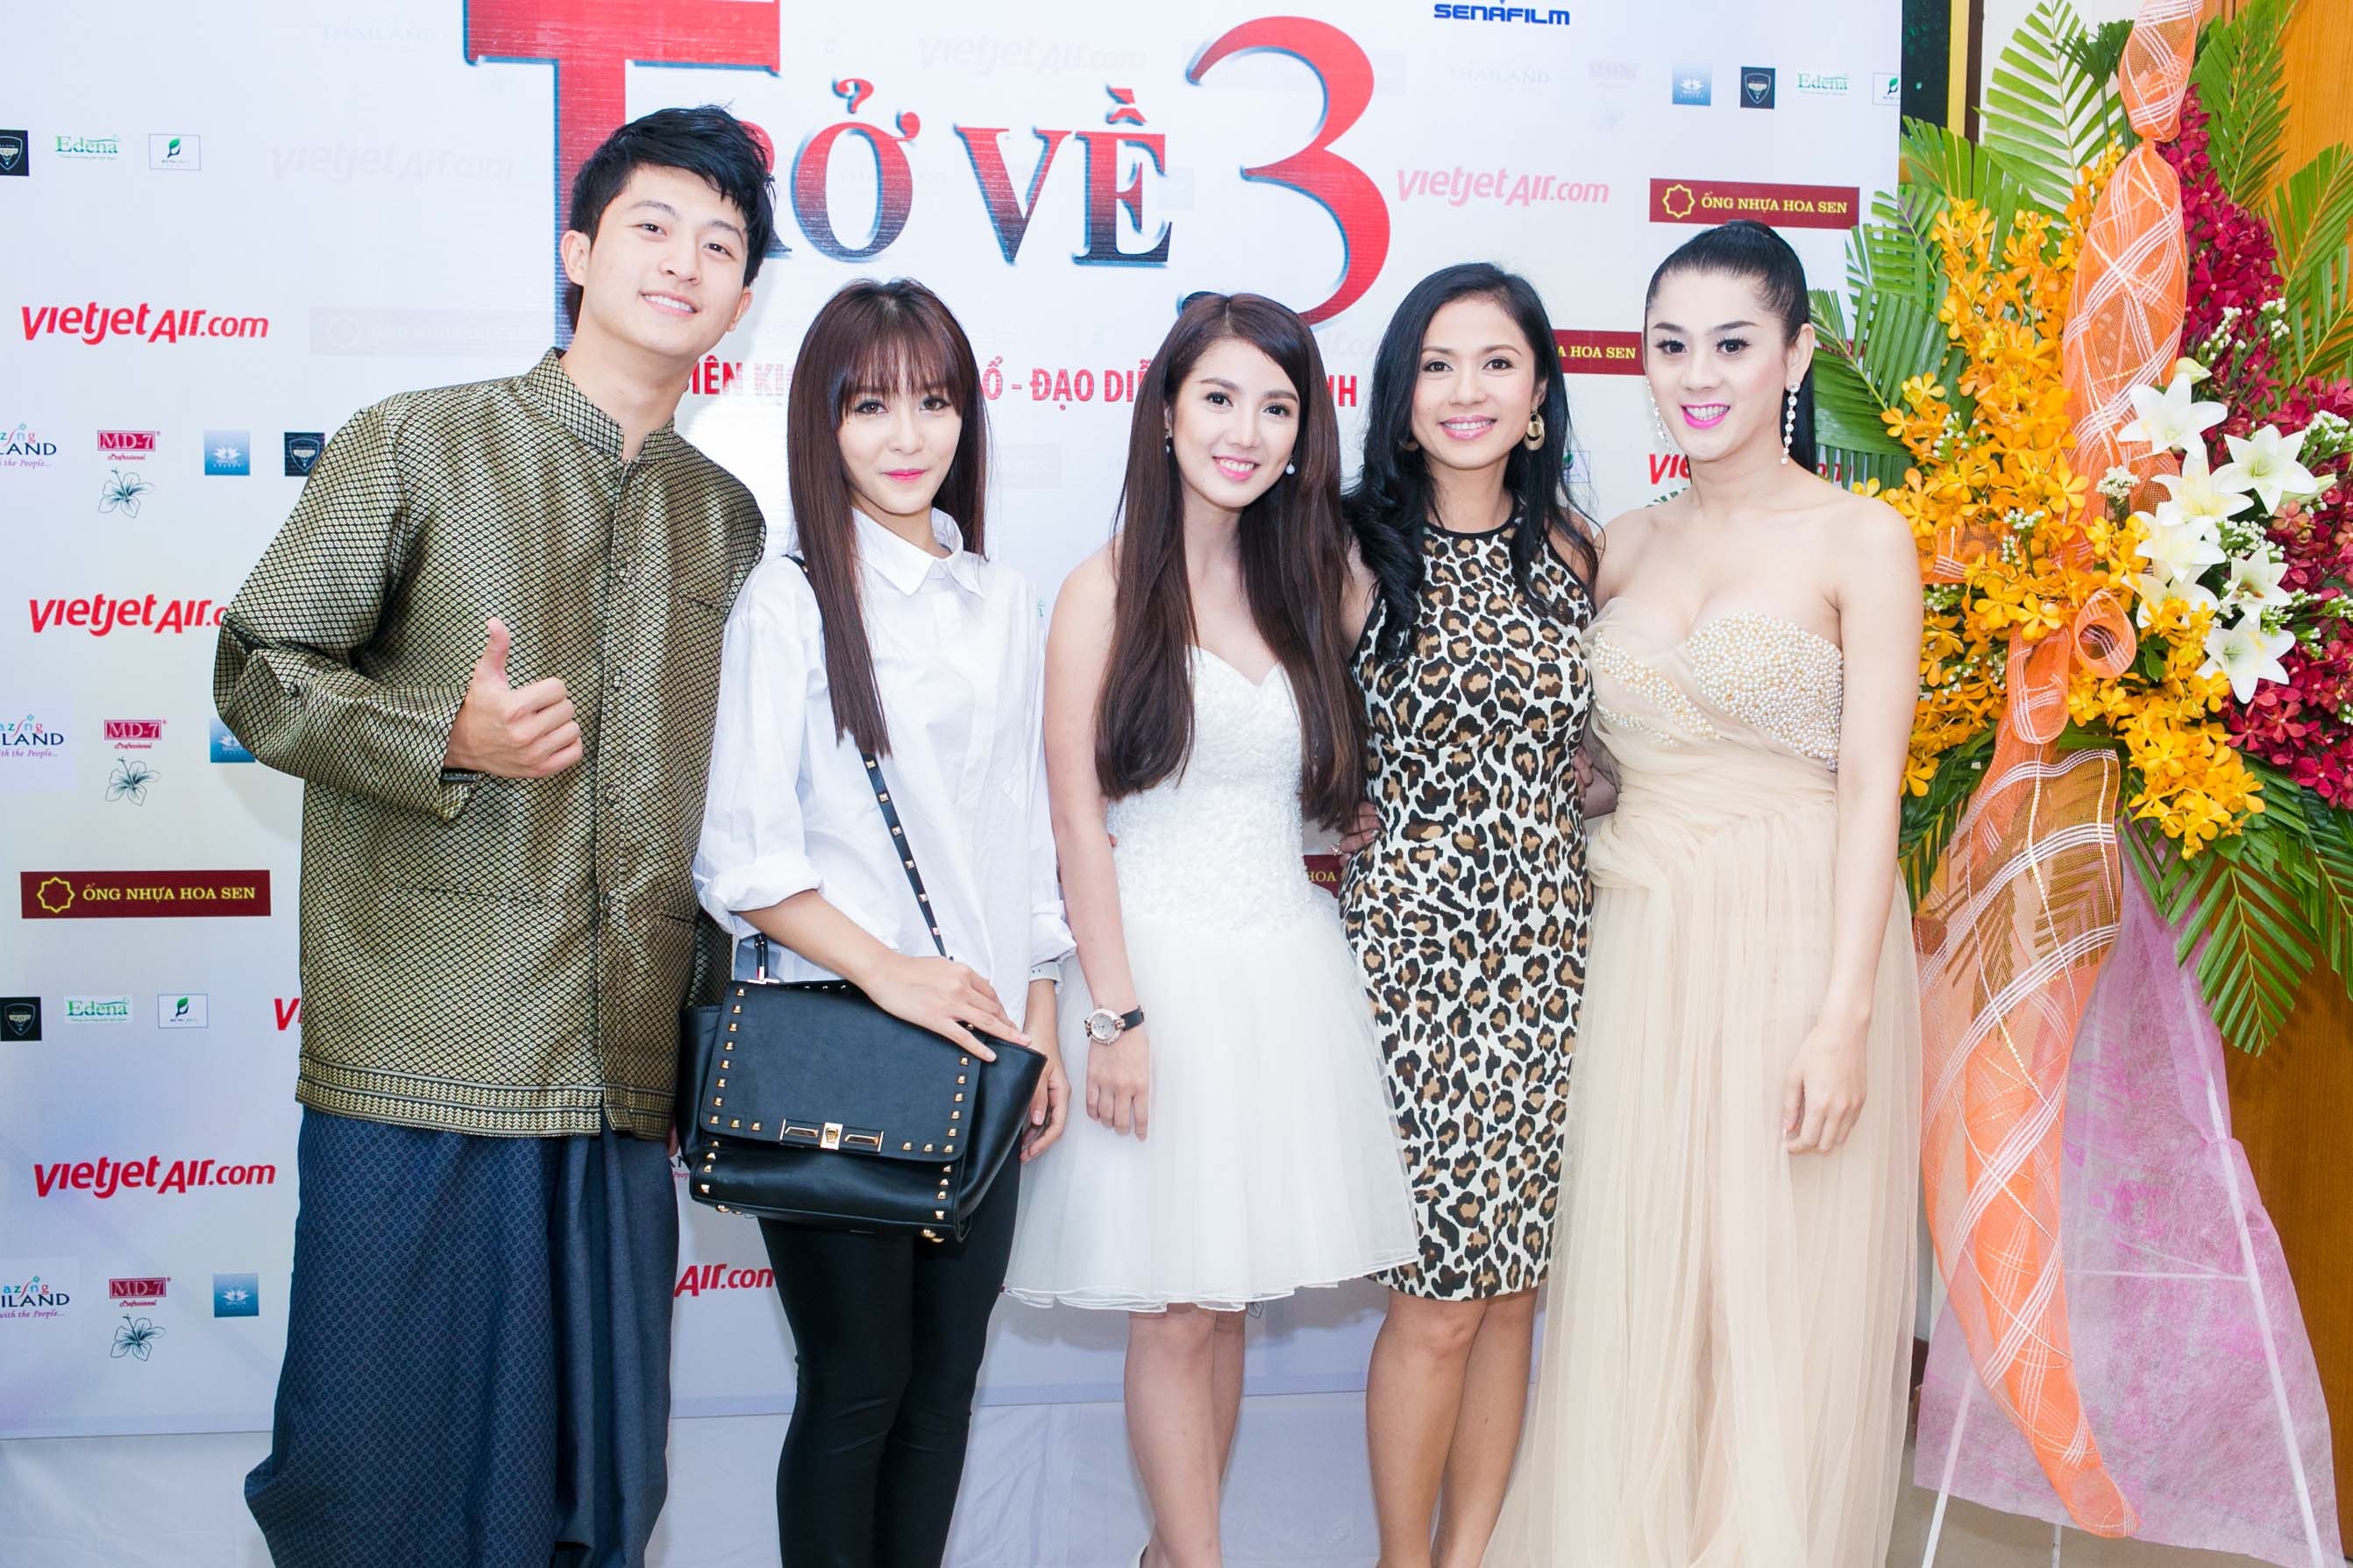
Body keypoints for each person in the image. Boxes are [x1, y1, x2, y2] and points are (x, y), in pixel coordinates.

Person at [217, 105, 774, 1566]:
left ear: (742, 298)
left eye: (722, 244)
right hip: (423, 1050)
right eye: (652, 225)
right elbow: (258, 669)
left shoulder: (726, 521)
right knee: (378, 1476)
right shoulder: (420, 441)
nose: (685, 260)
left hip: (619, 1074)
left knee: (599, 1493)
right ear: (578, 250)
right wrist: (443, 734)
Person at [1486, 219, 1924, 1565]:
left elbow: (1873, 785)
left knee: (1772, 1302)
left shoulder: (1862, 538)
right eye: (1671, 346)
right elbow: (1586, 752)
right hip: (1642, 942)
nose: (1699, 374)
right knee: (1641, 1287)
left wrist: (1844, 1016)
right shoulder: (1619, 544)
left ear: (1795, 353)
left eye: (1733, 343)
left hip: (1796, 943)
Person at [1004, 292, 1418, 1568]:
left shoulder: (1315, 587)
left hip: (1285, 973)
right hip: (1151, 975)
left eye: (1278, 408)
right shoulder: (1102, 587)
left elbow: (1337, 780)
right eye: (1222, 398)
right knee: (1177, 1308)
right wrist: (1116, 1015)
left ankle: (1173, 1555)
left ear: (1304, 436)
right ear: (1169, 413)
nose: (1247, 431)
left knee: (1227, 1299)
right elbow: (1074, 820)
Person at [693, 276, 1073, 1568]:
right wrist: (892, 974)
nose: (908, 436)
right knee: (858, 1385)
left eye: (934, 401)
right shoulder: (790, 600)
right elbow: (742, 858)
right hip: (843, 1045)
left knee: (944, 1387)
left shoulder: (1002, 598)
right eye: (870, 406)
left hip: (984, 1046)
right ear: (825, 422)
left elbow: (1024, 838)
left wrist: (1039, 1026)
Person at [1339, 263, 1598, 1568]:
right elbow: (1274, 731)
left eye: (1496, 362)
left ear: (1539, 391)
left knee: (1514, 1297)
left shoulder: (1576, 554)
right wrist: (1330, 815)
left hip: (1555, 956)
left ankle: (1470, 1557)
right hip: (1415, 967)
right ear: (1401, 395)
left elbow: (1599, 747)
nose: (1466, 391)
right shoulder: (1348, 552)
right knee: (1441, 1299)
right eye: (1437, 365)